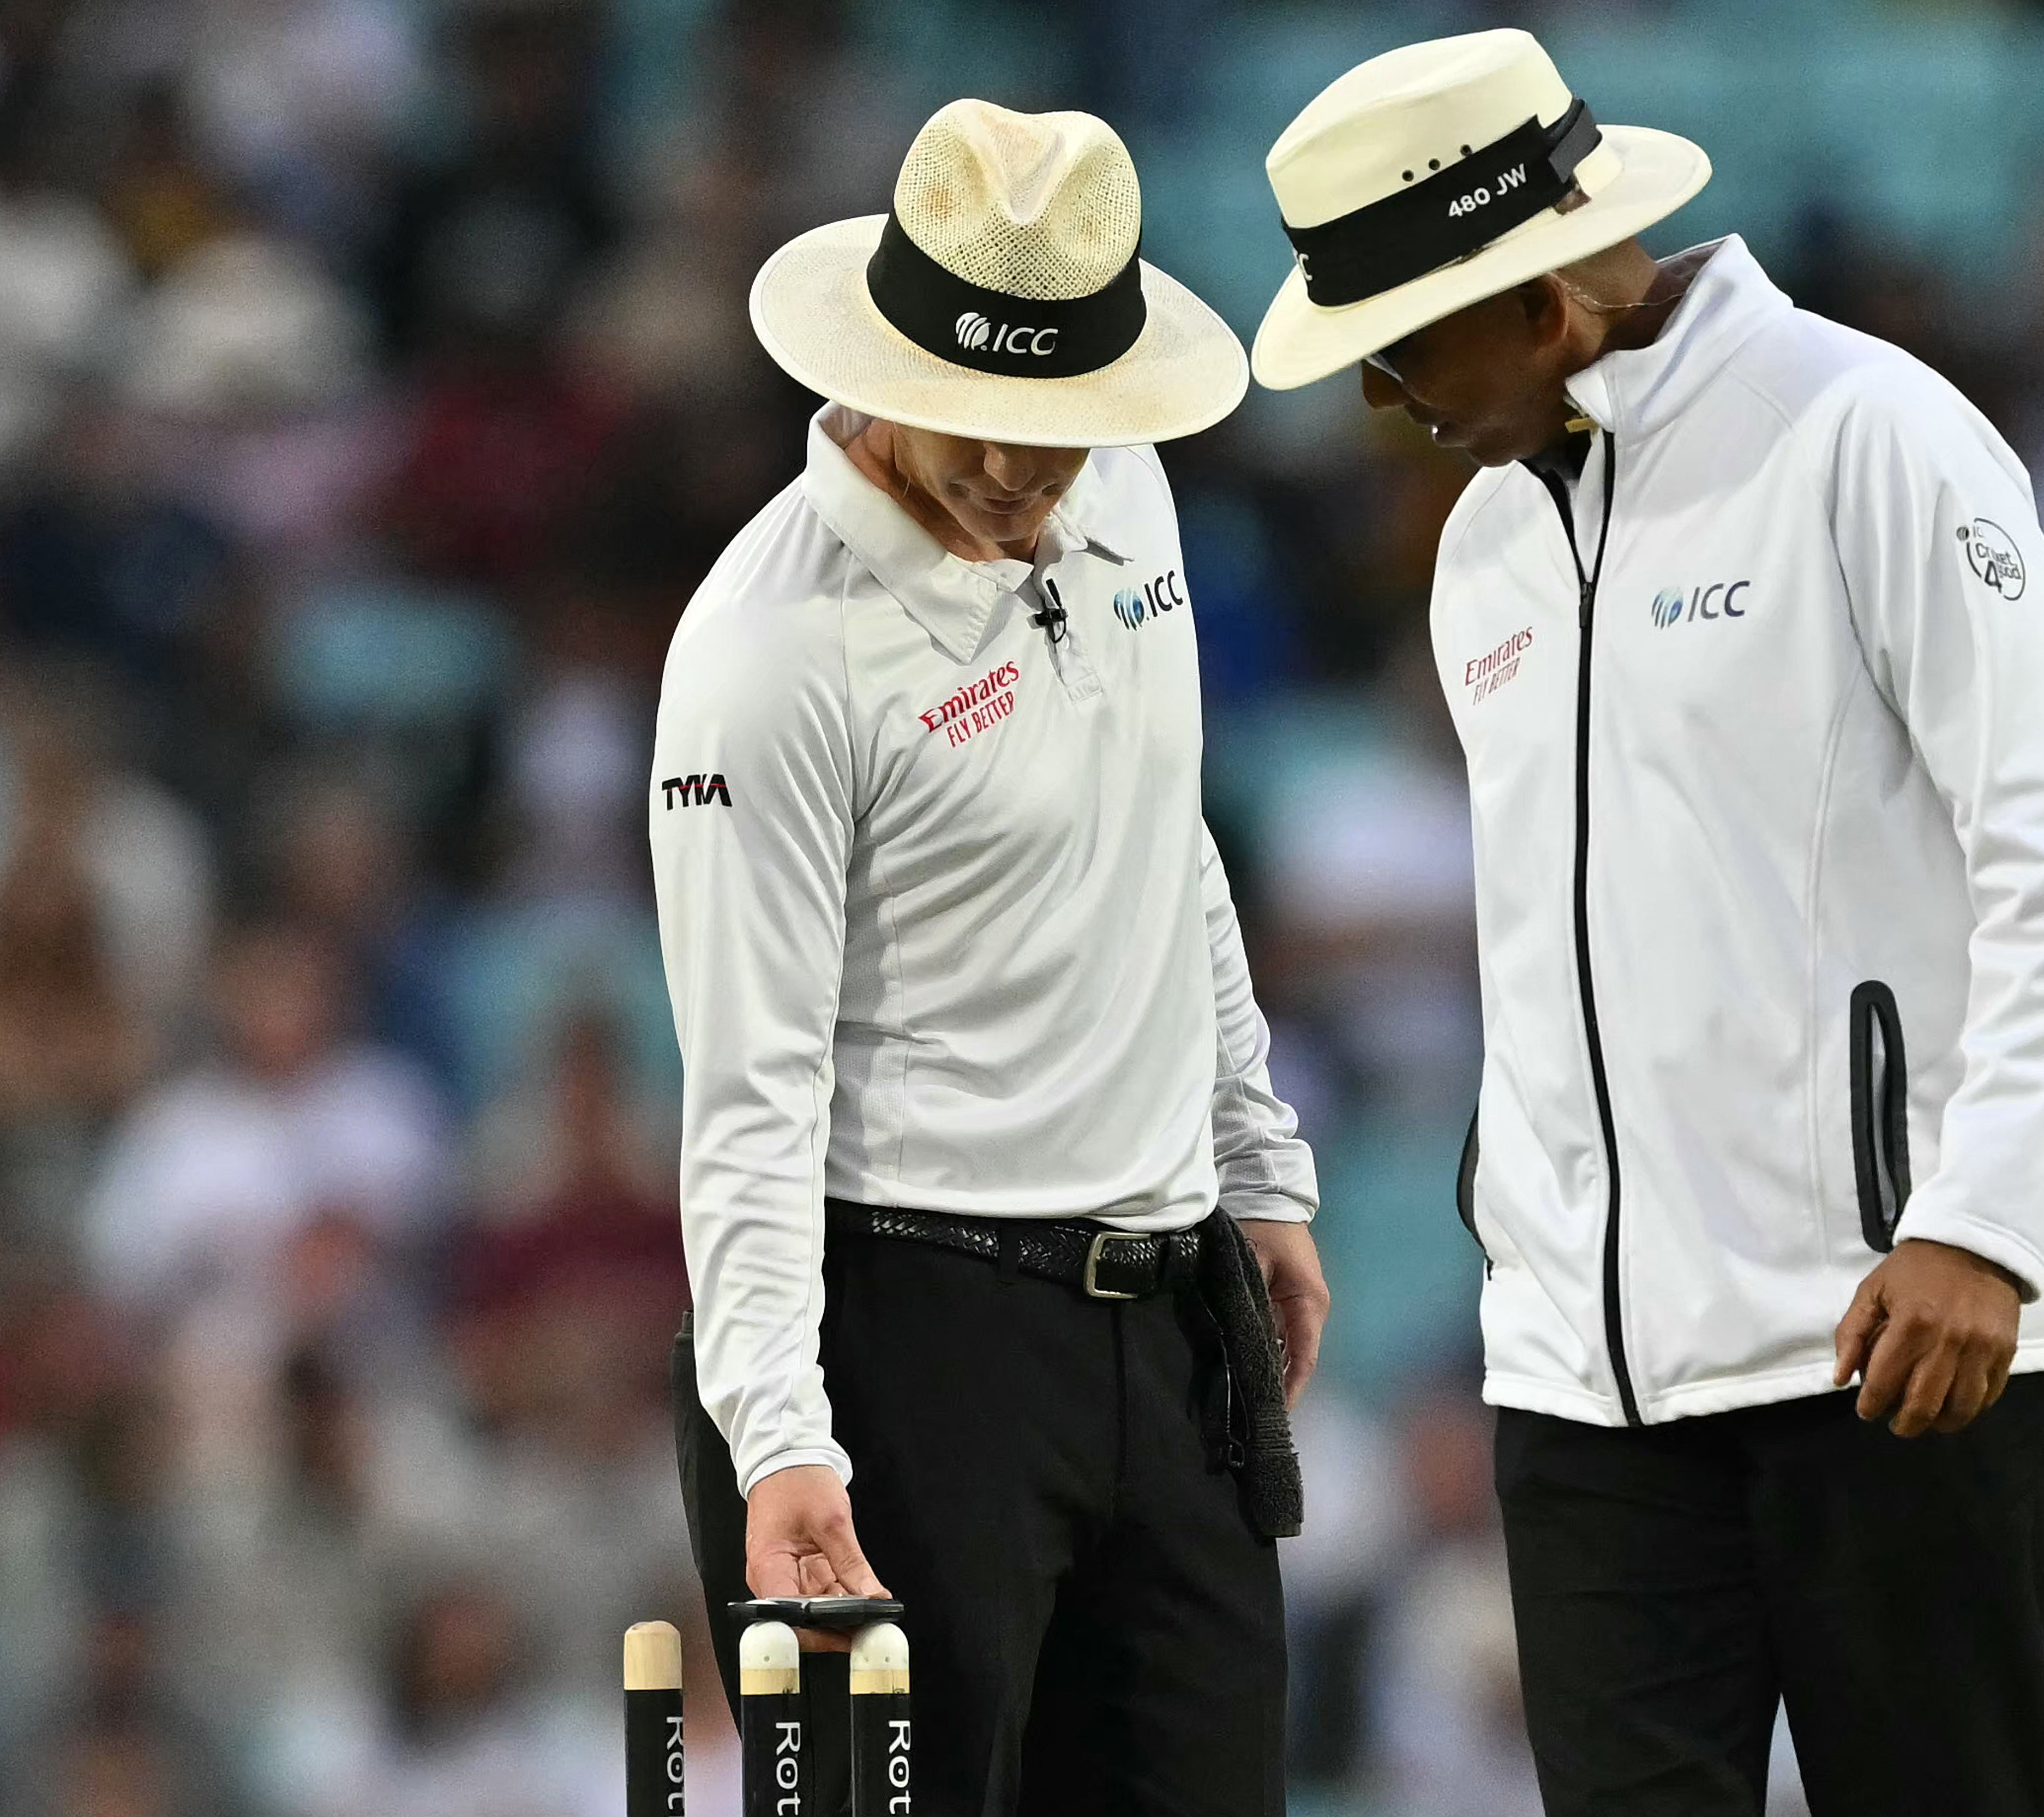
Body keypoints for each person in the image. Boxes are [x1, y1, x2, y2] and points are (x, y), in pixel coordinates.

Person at [1254, 31, 2044, 1817]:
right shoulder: (1482, 544)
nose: (1383, 401)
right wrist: (1525, 1253)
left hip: (1895, 1321)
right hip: (1586, 1380)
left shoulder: (1868, 432)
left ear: (1544, 297)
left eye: (1403, 342)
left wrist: (1980, 1219)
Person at [649, 99, 1324, 1816]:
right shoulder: (768, 655)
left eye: (1066, 425)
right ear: (882, 364)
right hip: (912, 1344)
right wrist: (782, 1439)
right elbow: (750, 1085)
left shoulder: (1134, 500)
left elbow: (1166, 839)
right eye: (983, 420)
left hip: (1171, 1326)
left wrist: (1259, 1164)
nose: (1029, 469)